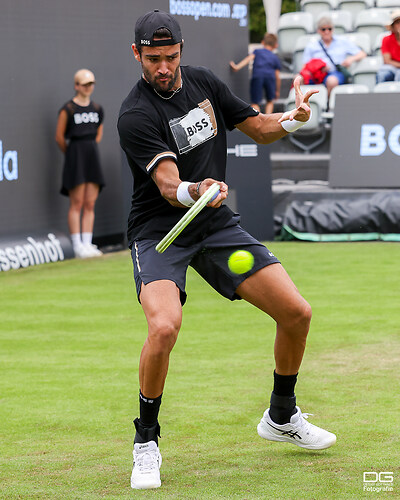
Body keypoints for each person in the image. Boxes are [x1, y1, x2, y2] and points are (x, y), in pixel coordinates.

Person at [117, 9, 337, 491]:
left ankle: (281, 416)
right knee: (164, 326)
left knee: (297, 313)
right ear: (137, 54)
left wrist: (293, 120)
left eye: (170, 57)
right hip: (160, 232)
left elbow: (258, 127)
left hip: (213, 224)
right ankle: (146, 441)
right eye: (152, 59)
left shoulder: (203, 83)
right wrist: (198, 190)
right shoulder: (135, 113)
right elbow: (168, 183)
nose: (162, 67)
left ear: (181, 51)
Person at [55, 69, 105, 258]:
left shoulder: (98, 108)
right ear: (76, 86)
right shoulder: (68, 109)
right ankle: (77, 245)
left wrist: (88, 148)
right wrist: (72, 154)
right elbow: (59, 137)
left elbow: (98, 133)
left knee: (90, 202)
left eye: (91, 84)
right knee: (76, 202)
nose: (88, 87)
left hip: (92, 155)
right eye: (84, 84)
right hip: (75, 156)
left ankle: (87, 243)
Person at [301, 16, 366, 97]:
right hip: (316, 74)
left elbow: (362, 54)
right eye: (323, 29)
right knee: (298, 79)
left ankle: (327, 105)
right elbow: (305, 66)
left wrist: (351, 59)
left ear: (333, 29)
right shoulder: (312, 46)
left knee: (331, 81)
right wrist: (318, 69)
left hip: (335, 73)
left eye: (329, 29)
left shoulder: (342, 41)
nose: (327, 32)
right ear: (318, 30)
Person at [230, 33, 281, 114]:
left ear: (263, 42)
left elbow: (248, 59)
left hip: (258, 76)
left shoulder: (257, 52)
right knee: (270, 101)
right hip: (270, 78)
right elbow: (277, 76)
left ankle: (259, 118)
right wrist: (277, 90)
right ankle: (268, 119)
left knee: (255, 102)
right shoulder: (275, 57)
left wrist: (237, 67)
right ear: (275, 45)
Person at [376, 10, 400, 84]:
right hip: (391, 67)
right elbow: (387, 60)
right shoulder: (386, 39)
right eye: (397, 23)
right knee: (382, 75)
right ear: (393, 26)